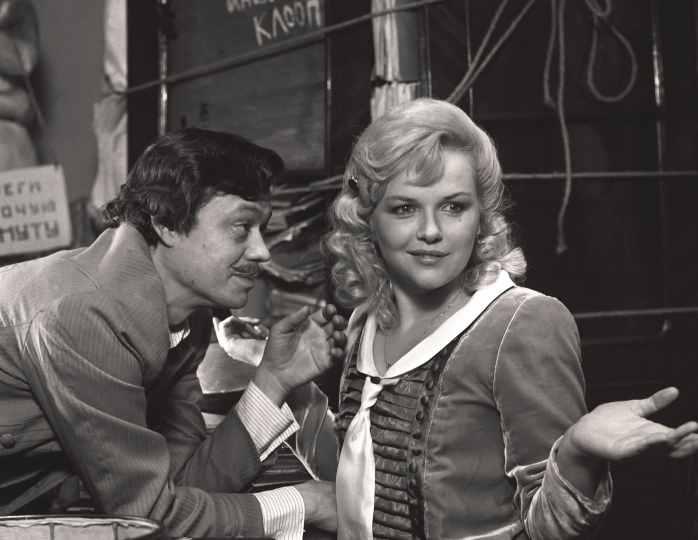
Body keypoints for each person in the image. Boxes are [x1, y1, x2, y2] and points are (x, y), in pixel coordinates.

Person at [324, 98, 698, 539]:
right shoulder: (365, 320)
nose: (431, 231)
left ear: (481, 215)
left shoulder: (522, 322)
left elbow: (547, 527)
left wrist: (576, 453)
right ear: (368, 219)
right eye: (405, 208)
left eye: (453, 207)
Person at [0, 128, 347, 539]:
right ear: (166, 223)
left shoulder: (185, 317)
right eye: (241, 227)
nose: (262, 251)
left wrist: (273, 380)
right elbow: (146, 517)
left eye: (263, 229)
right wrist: (303, 503)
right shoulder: (84, 314)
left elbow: (184, 485)